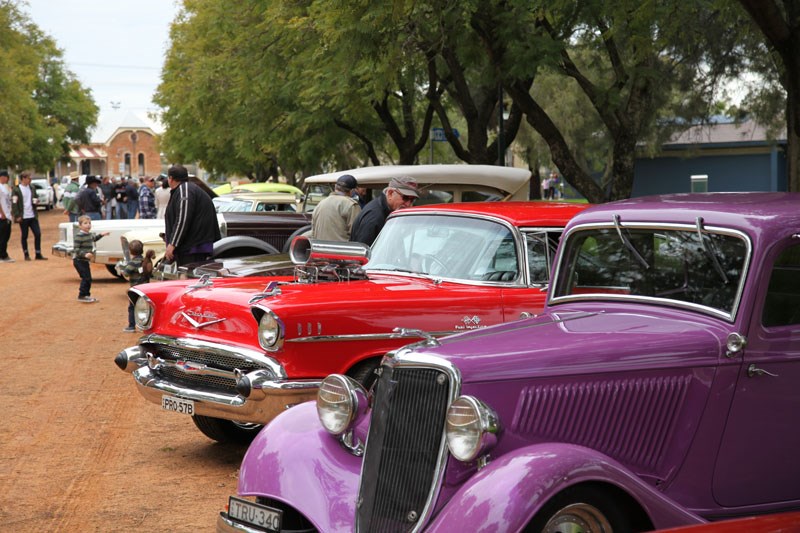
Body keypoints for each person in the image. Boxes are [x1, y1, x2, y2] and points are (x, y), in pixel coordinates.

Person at [164, 164, 221, 266]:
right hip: (191, 246)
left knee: (189, 278)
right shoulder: (185, 189)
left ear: (171, 179)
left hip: (193, 247)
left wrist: (173, 244)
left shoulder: (185, 190)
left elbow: (183, 218)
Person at [350, 175, 419, 246]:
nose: (408, 204)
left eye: (412, 200)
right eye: (406, 198)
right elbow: (364, 252)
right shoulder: (374, 216)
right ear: (390, 193)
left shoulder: (389, 212)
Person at [311, 174, 361, 241]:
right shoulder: (351, 205)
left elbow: (313, 231)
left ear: (335, 187)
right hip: (341, 249)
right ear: (352, 191)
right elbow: (357, 232)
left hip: (320, 248)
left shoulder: (321, 203)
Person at [72, 215, 109, 302]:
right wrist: (84, 254)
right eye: (85, 223)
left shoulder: (89, 234)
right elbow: (76, 249)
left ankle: (86, 295)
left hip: (84, 261)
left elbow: (94, 239)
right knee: (86, 278)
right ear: (80, 225)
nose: (88, 225)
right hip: (79, 261)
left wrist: (102, 235)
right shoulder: (79, 236)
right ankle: (82, 295)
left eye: (89, 223)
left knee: (88, 277)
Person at [11, 171, 47, 261]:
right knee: (24, 235)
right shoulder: (16, 190)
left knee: (37, 233)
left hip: (32, 215)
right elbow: (14, 203)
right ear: (23, 178)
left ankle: (38, 253)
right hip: (23, 216)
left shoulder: (32, 188)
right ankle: (26, 253)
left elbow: (35, 197)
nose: (30, 180)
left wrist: (36, 201)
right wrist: (17, 215)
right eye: (28, 178)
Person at [122, 239, 155, 331]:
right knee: (146, 307)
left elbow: (126, 273)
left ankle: (131, 326)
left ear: (131, 252)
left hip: (135, 289)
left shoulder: (132, 263)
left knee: (132, 306)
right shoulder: (146, 260)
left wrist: (122, 270)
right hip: (145, 289)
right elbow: (151, 273)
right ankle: (145, 325)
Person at [0, 170, 14, 262]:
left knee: (6, 236)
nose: (7, 179)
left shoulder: (5, 187)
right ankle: (3, 256)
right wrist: (2, 213)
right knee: (3, 237)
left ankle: (3, 254)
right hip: (2, 216)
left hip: (8, 215)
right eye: (6, 177)